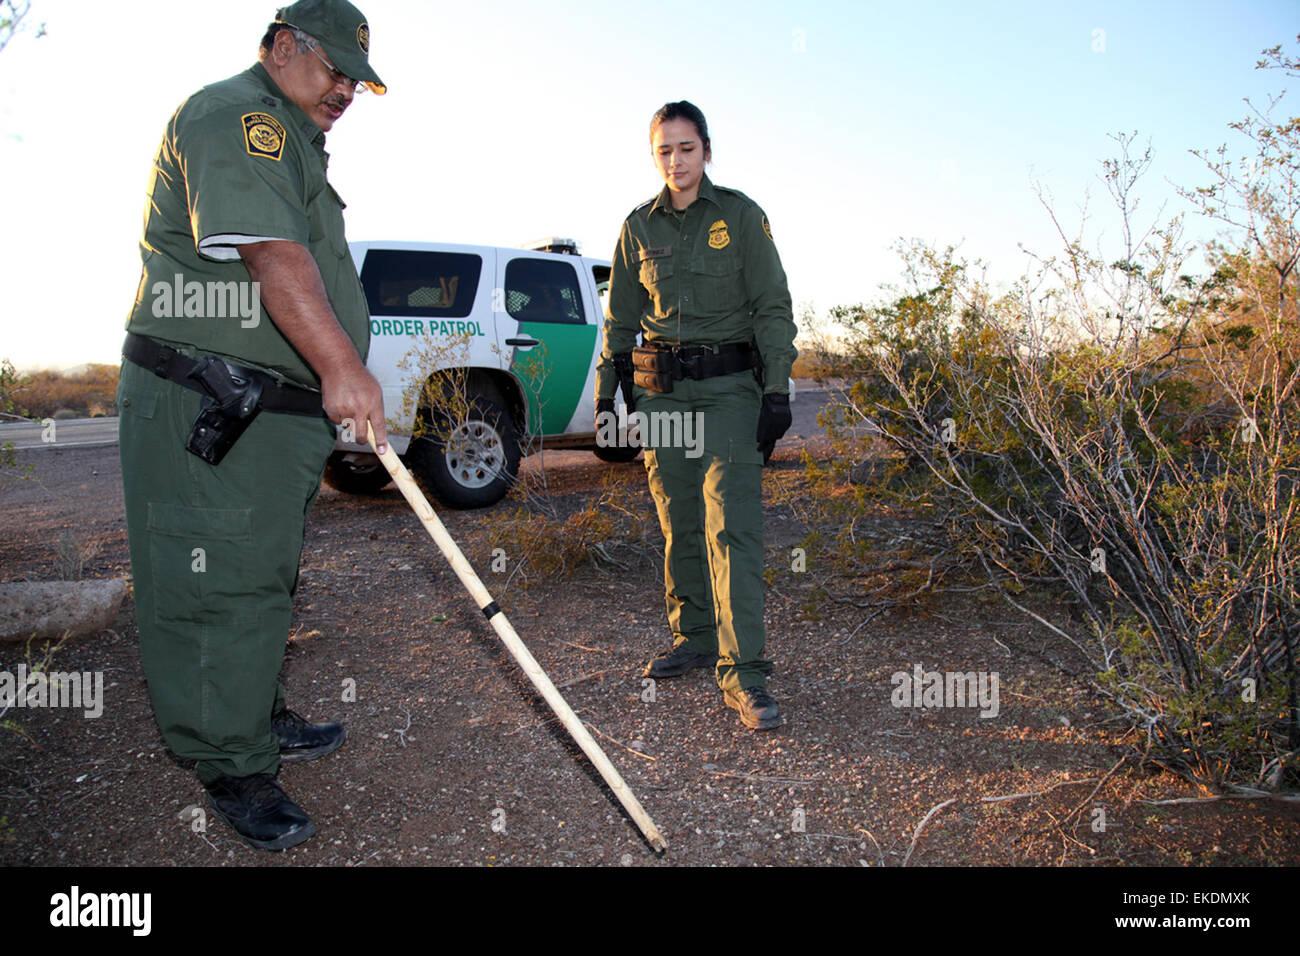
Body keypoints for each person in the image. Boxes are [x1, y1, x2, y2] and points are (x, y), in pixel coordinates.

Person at [117, 0, 388, 850]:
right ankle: (229, 760)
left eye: (354, 78)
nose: (343, 88)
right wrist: (344, 367)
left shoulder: (296, 141)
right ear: (280, 47)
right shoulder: (237, 116)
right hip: (208, 398)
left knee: (260, 572)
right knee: (212, 578)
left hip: (270, 408)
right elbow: (272, 254)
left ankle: (251, 713)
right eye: (331, 69)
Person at [595, 101, 797, 730]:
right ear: (653, 155)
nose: (676, 161)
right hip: (661, 397)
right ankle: (696, 637)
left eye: (686, 148)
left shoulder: (739, 215)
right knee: (678, 518)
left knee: (731, 525)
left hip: (729, 392)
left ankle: (746, 675)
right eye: (664, 150)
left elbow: (772, 306)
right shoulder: (637, 228)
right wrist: (608, 396)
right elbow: (621, 322)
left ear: (706, 150)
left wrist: (778, 391)